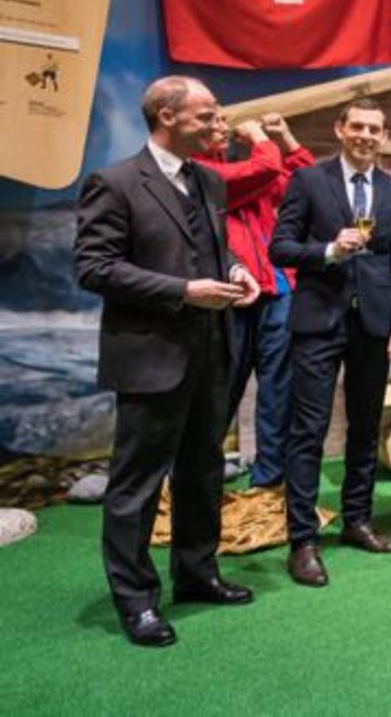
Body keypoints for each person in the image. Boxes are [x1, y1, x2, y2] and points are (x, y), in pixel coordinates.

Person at [75, 76, 260, 647]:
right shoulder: (115, 182)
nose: (218, 126)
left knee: (203, 469)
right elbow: (94, 267)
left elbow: (213, 247)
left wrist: (233, 271)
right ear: (165, 115)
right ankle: (136, 601)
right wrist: (184, 290)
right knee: (136, 484)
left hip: (211, 351)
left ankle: (198, 573)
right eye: (206, 116)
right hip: (151, 357)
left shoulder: (207, 180)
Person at [270, 99, 391, 588]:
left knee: (365, 425)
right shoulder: (310, 181)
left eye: (375, 129)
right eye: (357, 127)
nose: (366, 135)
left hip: (374, 326)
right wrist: (329, 250)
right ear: (340, 129)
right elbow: (280, 246)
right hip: (319, 321)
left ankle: (357, 520)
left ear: (384, 136)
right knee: (308, 430)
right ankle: (303, 540)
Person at [194, 111, 313, 489]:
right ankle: (196, 484)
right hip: (231, 298)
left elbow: (305, 185)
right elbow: (262, 170)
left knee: (278, 390)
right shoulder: (198, 173)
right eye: (212, 123)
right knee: (219, 391)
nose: (223, 129)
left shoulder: (246, 173)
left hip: (277, 290)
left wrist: (288, 140)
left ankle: (268, 483)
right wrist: (261, 139)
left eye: (223, 121)